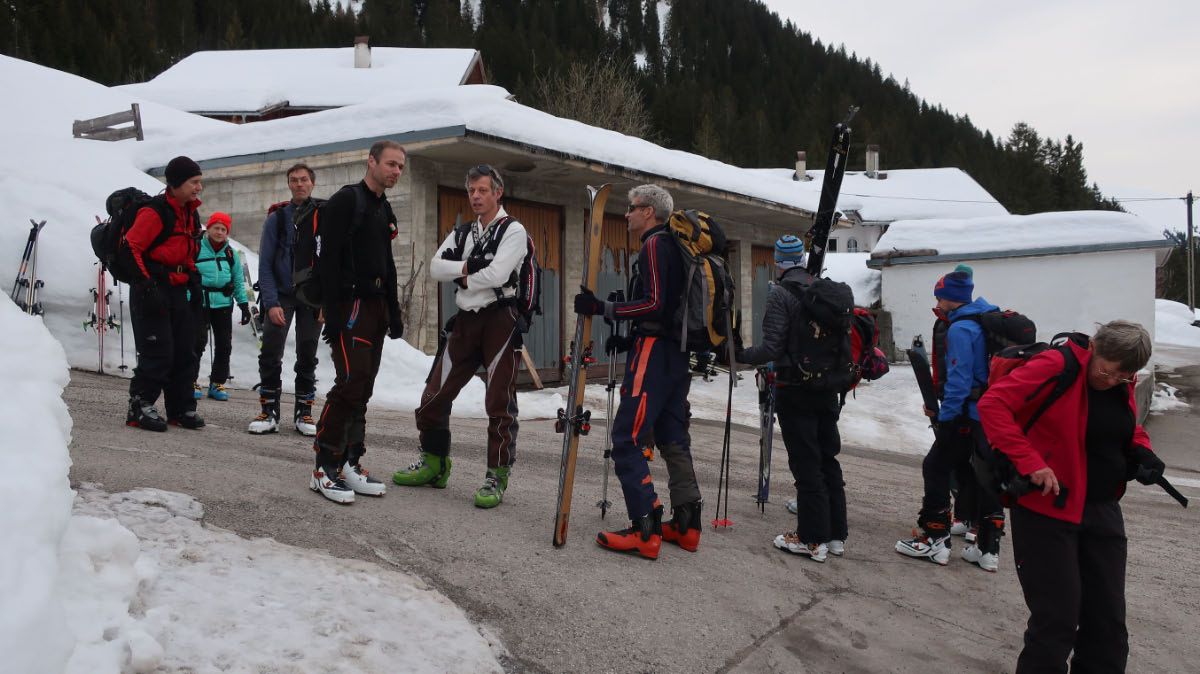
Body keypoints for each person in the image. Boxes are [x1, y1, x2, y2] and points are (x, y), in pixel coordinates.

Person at [978, 320, 1163, 673]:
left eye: (1122, 378)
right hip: (1046, 509)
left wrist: (1143, 452)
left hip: (1102, 509)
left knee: (1107, 622)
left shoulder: (1122, 377)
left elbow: (1125, 426)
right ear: (1093, 346)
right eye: (1107, 372)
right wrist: (1030, 461)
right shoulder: (1056, 365)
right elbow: (994, 405)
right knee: (1057, 620)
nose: (1111, 382)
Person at [574, 184, 702, 560]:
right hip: (676, 354)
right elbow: (668, 308)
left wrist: (602, 309)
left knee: (626, 437)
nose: (626, 214)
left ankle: (645, 528)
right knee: (671, 434)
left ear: (649, 212)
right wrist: (630, 341)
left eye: (632, 208)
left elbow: (655, 303)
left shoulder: (654, 245)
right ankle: (686, 524)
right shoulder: (677, 248)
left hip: (656, 354)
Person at [392, 164, 527, 509]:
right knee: (433, 395)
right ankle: (436, 463)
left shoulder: (513, 230)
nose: (476, 197)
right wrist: (469, 267)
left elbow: (499, 274)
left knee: (498, 401)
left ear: (498, 192)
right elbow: (436, 267)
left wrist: (466, 272)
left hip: (500, 319)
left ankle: (497, 474)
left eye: (483, 190)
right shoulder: (463, 232)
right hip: (466, 320)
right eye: (471, 191)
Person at [737, 235, 848, 563]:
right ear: (800, 258)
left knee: (806, 464)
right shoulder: (822, 290)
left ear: (778, 261)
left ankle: (812, 539)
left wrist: (741, 354)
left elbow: (772, 347)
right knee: (828, 459)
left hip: (795, 389)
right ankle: (835, 534)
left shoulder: (781, 294)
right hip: (828, 388)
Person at [308, 141, 406, 504]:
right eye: (391, 164)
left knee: (363, 386)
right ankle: (324, 466)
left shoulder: (382, 206)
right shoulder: (347, 200)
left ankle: (350, 461)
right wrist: (332, 315)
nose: (396, 171)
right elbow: (327, 261)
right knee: (350, 382)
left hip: (376, 308)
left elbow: (389, 264)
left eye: (400, 166)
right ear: (371, 162)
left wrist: (394, 313)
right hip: (350, 306)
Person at [895, 269, 1006, 570]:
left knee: (935, 467)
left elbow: (959, 380)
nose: (937, 301)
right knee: (983, 475)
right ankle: (988, 550)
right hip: (991, 414)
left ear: (949, 298)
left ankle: (935, 540)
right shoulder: (985, 319)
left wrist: (947, 419)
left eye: (938, 296)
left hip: (966, 413)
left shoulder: (960, 329)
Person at [125, 155, 205, 432]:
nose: (198, 188)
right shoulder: (154, 212)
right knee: (158, 351)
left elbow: (189, 248)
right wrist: (146, 285)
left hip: (177, 287)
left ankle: (180, 408)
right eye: (194, 182)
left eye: (199, 182)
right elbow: (131, 248)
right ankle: (140, 406)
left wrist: (193, 278)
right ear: (177, 183)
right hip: (152, 288)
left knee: (185, 350)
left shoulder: (189, 212)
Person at [249, 163, 323, 436]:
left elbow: (331, 262)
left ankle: (305, 412)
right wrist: (271, 302)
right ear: (289, 184)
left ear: (312, 183)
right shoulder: (276, 219)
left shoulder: (323, 217)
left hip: (313, 297)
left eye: (304, 180)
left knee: (307, 353)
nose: (299, 184)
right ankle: (269, 411)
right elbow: (265, 264)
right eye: (294, 180)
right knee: (270, 351)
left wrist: (325, 301)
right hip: (280, 295)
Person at [191, 211, 250, 402]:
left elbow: (238, 280)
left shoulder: (230, 252)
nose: (219, 232)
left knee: (224, 344)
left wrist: (243, 304)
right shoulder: (197, 247)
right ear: (208, 228)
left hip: (224, 303)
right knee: (197, 342)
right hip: (200, 301)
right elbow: (187, 275)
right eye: (216, 227)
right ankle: (190, 380)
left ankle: (217, 383)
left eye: (223, 229)